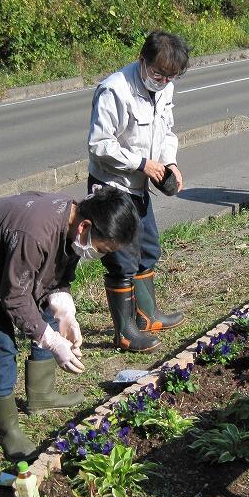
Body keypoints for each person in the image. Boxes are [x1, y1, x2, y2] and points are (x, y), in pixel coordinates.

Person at [0, 188, 139, 460]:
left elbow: (54, 273)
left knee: (44, 307)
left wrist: (64, 309)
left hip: (0, 258)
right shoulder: (37, 233)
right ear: (86, 226)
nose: (97, 255)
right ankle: (9, 432)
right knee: (0, 341)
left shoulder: (73, 222)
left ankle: (41, 395)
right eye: (101, 250)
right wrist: (50, 341)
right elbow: (14, 297)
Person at [87, 31, 189, 353]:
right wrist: (141, 163)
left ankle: (148, 316)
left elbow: (167, 130)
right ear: (142, 60)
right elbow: (100, 144)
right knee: (122, 259)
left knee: (147, 248)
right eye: (158, 73)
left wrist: (169, 163)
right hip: (113, 186)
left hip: (141, 185)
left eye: (170, 76)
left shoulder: (165, 88)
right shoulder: (114, 90)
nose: (162, 81)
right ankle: (126, 332)